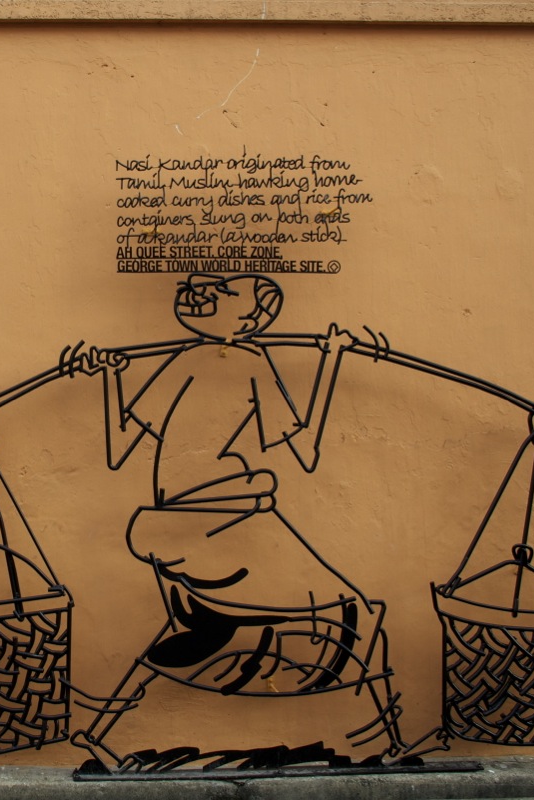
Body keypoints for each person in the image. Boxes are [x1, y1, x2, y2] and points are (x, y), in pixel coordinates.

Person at [60, 272, 417, 771]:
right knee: (352, 609)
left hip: (189, 527)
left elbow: (121, 446)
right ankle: (387, 740)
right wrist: (333, 359)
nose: (205, 292)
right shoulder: (243, 361)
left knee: (206, 626)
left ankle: (103, 728)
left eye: (224, 292)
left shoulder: (202, 361)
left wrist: (107, 378)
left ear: (247, 319)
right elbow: (305, 450)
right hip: (220, 526)